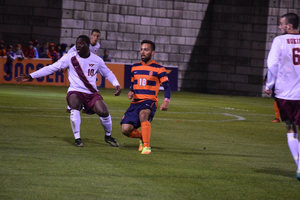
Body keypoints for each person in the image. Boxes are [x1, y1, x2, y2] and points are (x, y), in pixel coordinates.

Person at [15, 35, 122, 148]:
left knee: (104, 111)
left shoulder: (97, 60)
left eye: (81, 43)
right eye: (77, 43)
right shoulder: (70, 57)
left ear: (87, 45)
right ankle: (77, 138)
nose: (78, 45)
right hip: (75, 91)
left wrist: (116, 84)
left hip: (91, 93)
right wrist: (31, 76)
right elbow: (52, 68)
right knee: (74, 104)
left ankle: (108, 136)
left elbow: (108, 73)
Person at [265, 13, 300, 180]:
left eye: (281, 24)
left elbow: (272, 64)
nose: (279, 26)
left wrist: (269, 84)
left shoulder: (280, 41)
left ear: (289, 26)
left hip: (285, 93)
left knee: (291, 128)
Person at [120, 40, 171, 154]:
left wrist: (166, 101)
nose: (143, 52)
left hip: (149, 101)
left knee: (143, 115)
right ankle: (143, 137)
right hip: (135, 103)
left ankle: (146, 147)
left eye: (146, 50)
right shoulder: (135, 67)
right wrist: (131, 91)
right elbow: (133, 84)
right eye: (141, 49)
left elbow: (167, 87)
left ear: (152, 52)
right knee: (125, 129)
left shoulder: (159, 68)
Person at [66, 29, 101, 113]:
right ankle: (70, 106)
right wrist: (67, 62)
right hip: (76, 65)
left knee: (90, 83)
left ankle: (86, 107)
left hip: (87, 66)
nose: (96, 38)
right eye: (94, 35)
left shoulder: (97, 46)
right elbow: (71, 51)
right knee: (75, 85)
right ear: (90, 36)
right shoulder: (83, 43)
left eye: (98, 36)